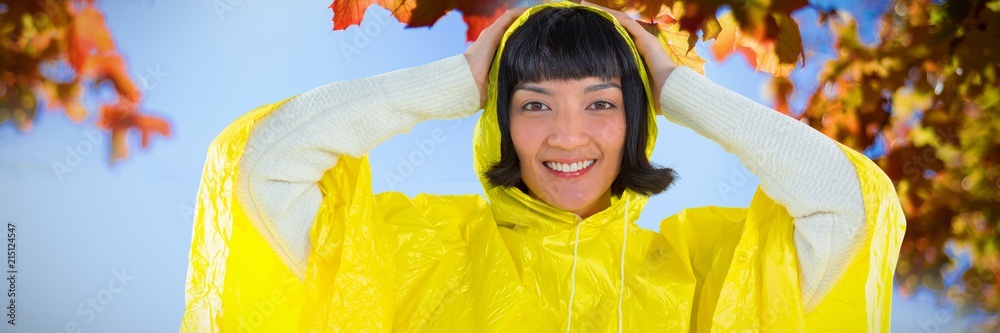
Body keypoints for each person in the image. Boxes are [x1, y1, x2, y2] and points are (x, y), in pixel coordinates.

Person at [180, 2, 905, 332]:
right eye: (532, 105)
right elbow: (257, 167)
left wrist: (679, 90)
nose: (567, 135)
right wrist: (458, 80)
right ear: (500, 121)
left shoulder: (698, 270)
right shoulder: (416, 247)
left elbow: (851, 207)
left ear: (636, 120)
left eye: (600, 103)